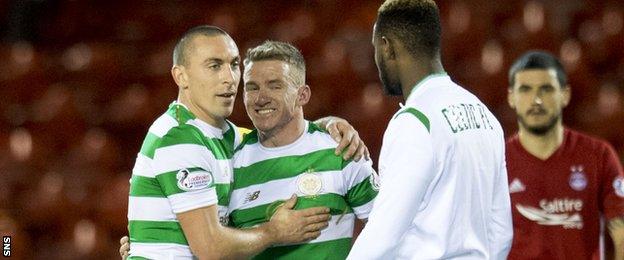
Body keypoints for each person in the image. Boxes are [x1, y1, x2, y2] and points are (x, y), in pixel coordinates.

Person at [125, 25, 367, 259]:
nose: (229, 78)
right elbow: (210, 248)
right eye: (214, 66)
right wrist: (274, 232)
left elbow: (283, 134)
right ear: (181, 76)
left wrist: (329, 125)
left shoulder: (227, 137)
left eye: (233, 65)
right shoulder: (179, 138)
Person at [348, 0, 513, 259]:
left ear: (387, 47)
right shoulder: (485, 115)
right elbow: (502, 231)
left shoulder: (414, 122)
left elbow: (383, 236)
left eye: (376, 49)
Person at [228, 41, 378, 259]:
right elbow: (214, 247)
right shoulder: (230, 163)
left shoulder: (341, 153)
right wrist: (271, 233)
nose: (261, 98)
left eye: (275, 85)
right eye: (252, 87)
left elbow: (389, 228)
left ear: (303, 95)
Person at [505, 51, 624, 260]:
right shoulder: (496, 162)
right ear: (511, 97)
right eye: (525, 89)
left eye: (546, 89)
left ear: (565, 94)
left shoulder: (598, 155)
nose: (537, 100)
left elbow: (621, 232)